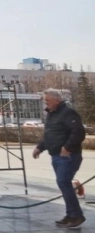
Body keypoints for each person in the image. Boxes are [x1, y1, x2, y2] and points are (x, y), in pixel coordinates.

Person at [33, 90, 86, 229]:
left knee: (63, 182)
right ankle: (71, 214)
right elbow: (50, 134)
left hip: (68, 156)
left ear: (57, 100)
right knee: (63, 184)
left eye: (48, 100)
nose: (45, 103)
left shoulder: (68, 113)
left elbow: (78, 131)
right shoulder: (52, 114)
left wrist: (68, 147)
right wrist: (40, 147)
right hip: (56, 156)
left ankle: (76, 215)